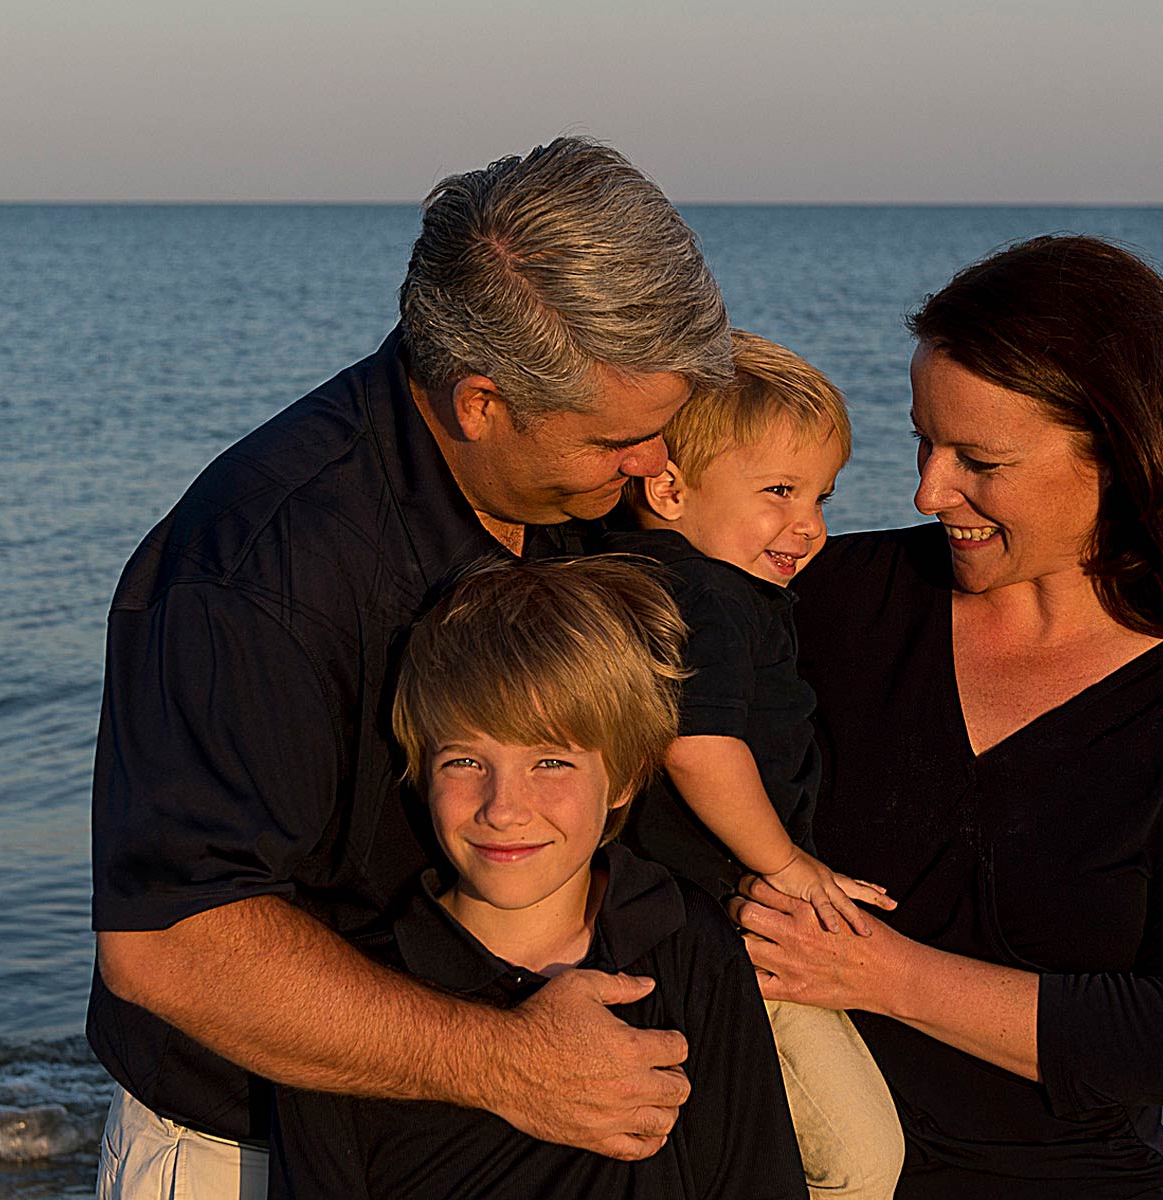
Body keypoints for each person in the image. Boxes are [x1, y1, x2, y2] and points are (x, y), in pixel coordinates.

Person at [88, 137, 733, 1199]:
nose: (656, 467)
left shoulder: (575, 491)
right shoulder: (263, 561)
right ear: (481, 402)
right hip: (251, 1155)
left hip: (531, 1126)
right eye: (620, 439)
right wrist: (507, 1061)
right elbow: (171, 947)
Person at [730, 235, 1163, 1199]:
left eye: (982, 459)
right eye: (923, 441)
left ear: (1126, 453)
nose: (929, 491)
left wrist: (881, 974)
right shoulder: (826, 602)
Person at [270, 557, 806, 1199]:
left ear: (626, 775)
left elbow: (754, 1176)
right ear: (420, 767)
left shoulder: (684, 941)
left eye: (550, 761)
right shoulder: (355, 994)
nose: (503, 807)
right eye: (465, 760)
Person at [604, 330, 904, 1198]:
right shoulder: (704, 594)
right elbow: (697, 745)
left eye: (822, 495)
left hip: (671, 927)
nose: (809, 525)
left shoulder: (637, 573)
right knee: (859, 1162)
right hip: (741, 935)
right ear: (667, 487)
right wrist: (790, 866)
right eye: (778, 491)